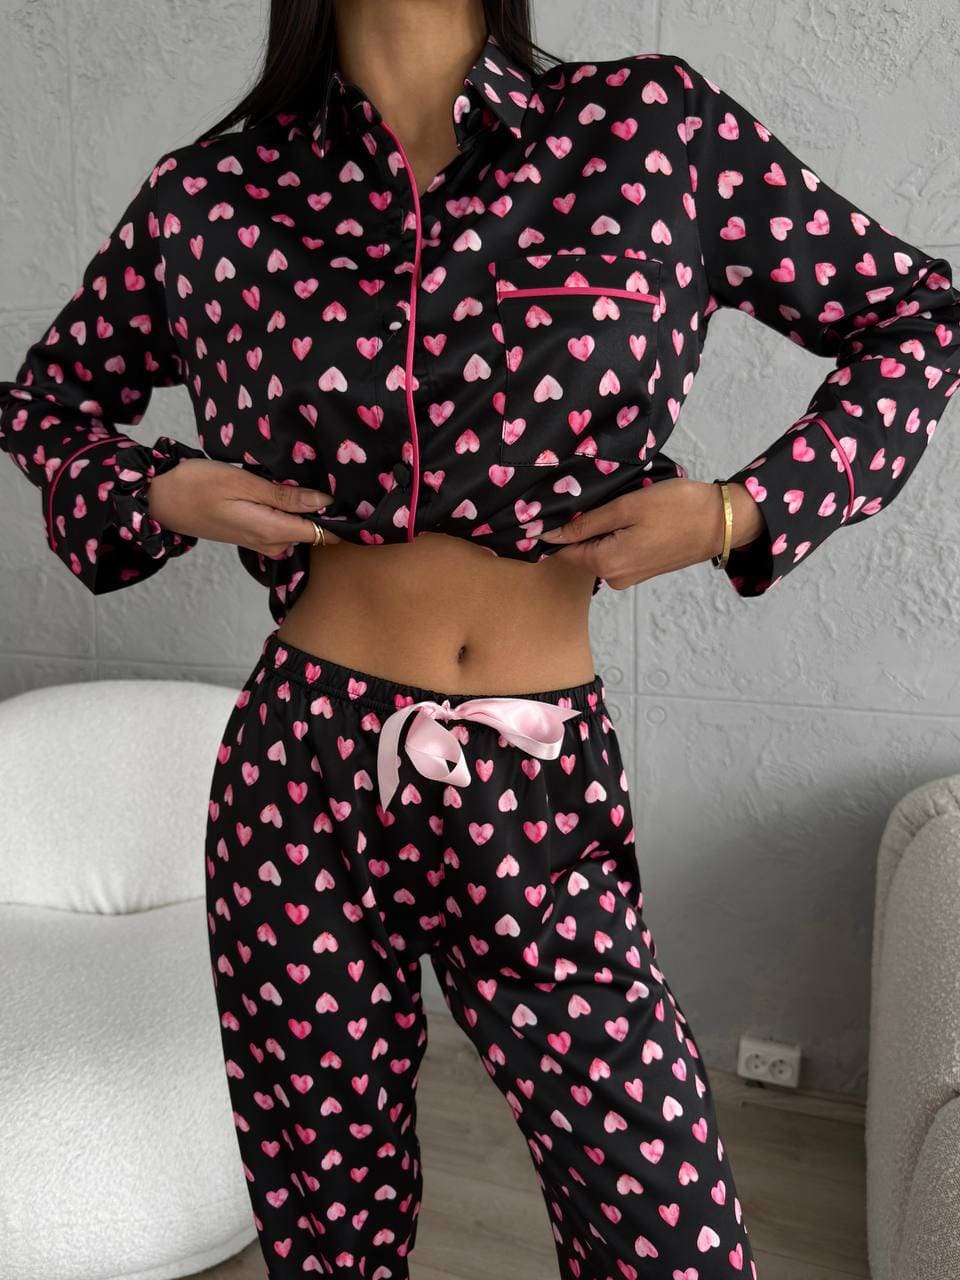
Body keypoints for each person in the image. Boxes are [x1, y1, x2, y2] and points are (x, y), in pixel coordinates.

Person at [2, 1, 958, 1277]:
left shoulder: (647, 131)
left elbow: (920, 315)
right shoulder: (213, 195)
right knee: (329, 1227)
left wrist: (739, 511)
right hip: (299, 771)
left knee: (661, 1226)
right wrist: (161, 490)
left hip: (537, 772)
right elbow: (47, 404)